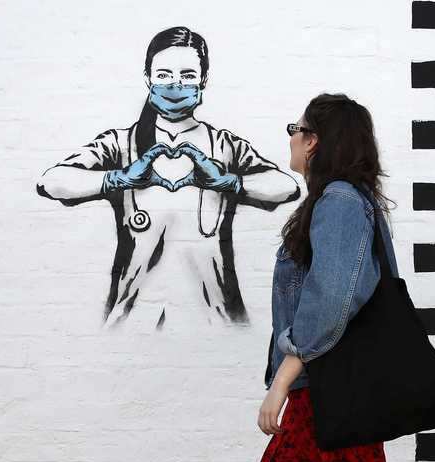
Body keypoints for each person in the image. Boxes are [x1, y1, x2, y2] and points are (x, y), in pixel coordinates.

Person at [35, 26, 300, 330]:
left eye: (187, 75)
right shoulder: (122, 144)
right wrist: (118, 179)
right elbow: (51, 182)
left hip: (217, 323)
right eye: (163, 75)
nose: (175, 85)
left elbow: (286, 186)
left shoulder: (224, 146)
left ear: (204, 80)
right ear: (148, 79)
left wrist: (229, 182)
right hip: (131, 321)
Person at [251, 93, 399, 462]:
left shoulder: (340, 202)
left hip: (338, 395)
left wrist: (280, 382)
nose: (292, 139)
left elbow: (330, 301)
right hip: (317, 394)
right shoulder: (337, 202)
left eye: (295, 130)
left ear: (313, 141)